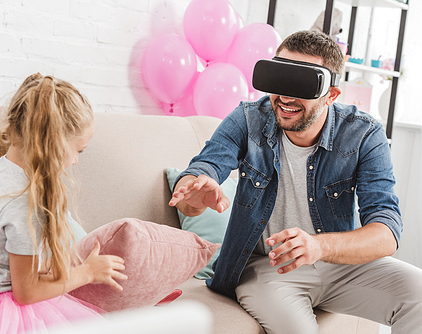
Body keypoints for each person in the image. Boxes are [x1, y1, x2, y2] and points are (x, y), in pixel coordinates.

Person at [169, 30, 422, 333]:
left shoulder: (364, 134)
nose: (286, 97)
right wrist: (192, 194)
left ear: (331, 95)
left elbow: (386, 232)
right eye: (280, 79)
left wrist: (318, 246)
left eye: (301, 84)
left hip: (336, 263)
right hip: (267, 268)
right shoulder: (248, 120)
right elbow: (204, 168)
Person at [0, 73, 127, 333]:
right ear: (51, 142)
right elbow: (27, 293)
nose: (75, 161)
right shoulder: (22, 201)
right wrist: (87, 273)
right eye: (78, 150)